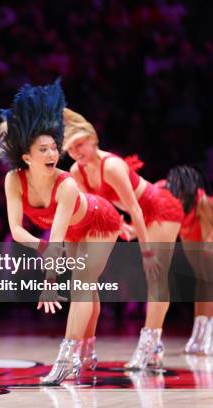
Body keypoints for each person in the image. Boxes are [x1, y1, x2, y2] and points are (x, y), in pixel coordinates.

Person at [0, 80, 121, 385]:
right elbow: (16, 229)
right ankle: (87, 352)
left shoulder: (65, 184)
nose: (53, 153)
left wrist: (50, 280)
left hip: (100, 220)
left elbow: (57, 237)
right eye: (44, 149)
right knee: (86, 287)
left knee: (82, 284)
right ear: (26, 157)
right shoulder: (14, 180)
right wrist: (43, 249)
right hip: (67, 233)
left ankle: (67, 358)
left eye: (54, 147)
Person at [62, 108, 183, 370]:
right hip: (134, 217)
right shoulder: (76, 171)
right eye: (71, 149)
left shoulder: (113, 166)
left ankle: (149, 346)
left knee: (156, 276)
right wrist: (117, 228)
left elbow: (135, 208)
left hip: (160, 210)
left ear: (93, 139)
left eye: (80, 145)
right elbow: (94, 208)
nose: (77, 152)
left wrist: (147, 251)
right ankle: (92, 348)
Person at [163, 166, 213, 355]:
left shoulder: (201, 202)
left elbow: (209, 236)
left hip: (206, 237)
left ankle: (208, 336)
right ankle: (198, 336)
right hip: (190, 236)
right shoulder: (165, 192)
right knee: (200, 285)